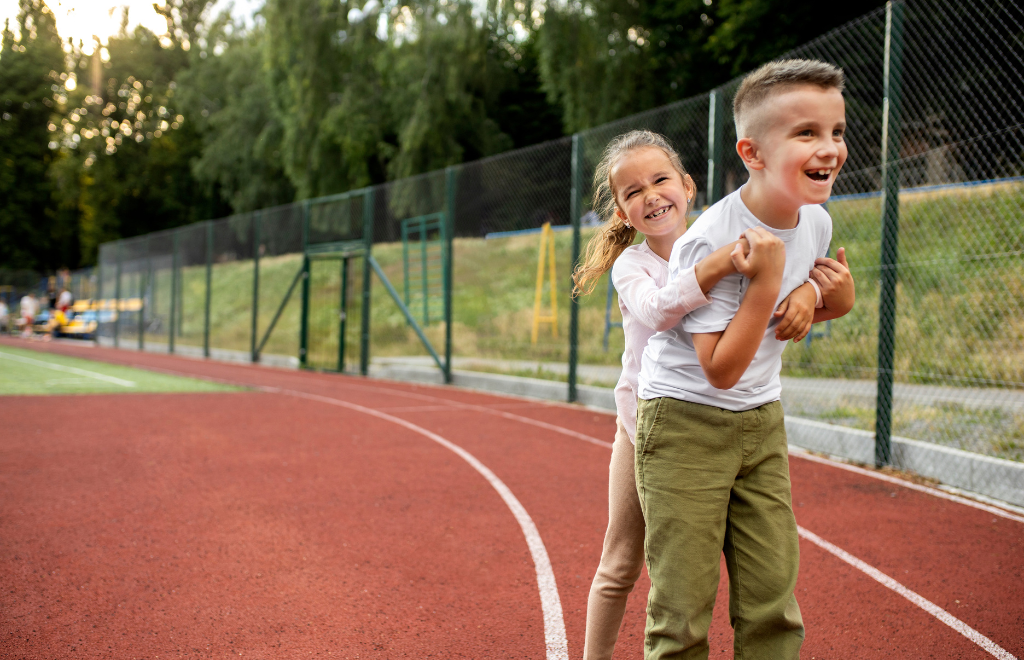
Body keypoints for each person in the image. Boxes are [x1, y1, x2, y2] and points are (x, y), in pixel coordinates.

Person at [571, 130, 822, 660]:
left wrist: (811, 290)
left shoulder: (719, 235)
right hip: (644, 430)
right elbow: (661, 309)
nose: (651, 195)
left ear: (687, 186)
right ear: (620, 211)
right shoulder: (633, 266)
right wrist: (721, 264)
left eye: (661, 180)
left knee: (741, 570)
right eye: (633, 192)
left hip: (726, 425)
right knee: (621, 563)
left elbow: (791, 284)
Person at [635, 59, 856, 659]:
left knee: (772, 604)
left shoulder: (815, 219)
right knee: (681, 613)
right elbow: (721, 368)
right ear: (753, 152)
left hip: (761, 421)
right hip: (686, 420)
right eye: (806, 133)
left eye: (835, 131)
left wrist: (811, 292)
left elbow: (835, 301)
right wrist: (767, 283)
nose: (830, 148)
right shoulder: (711, 239)